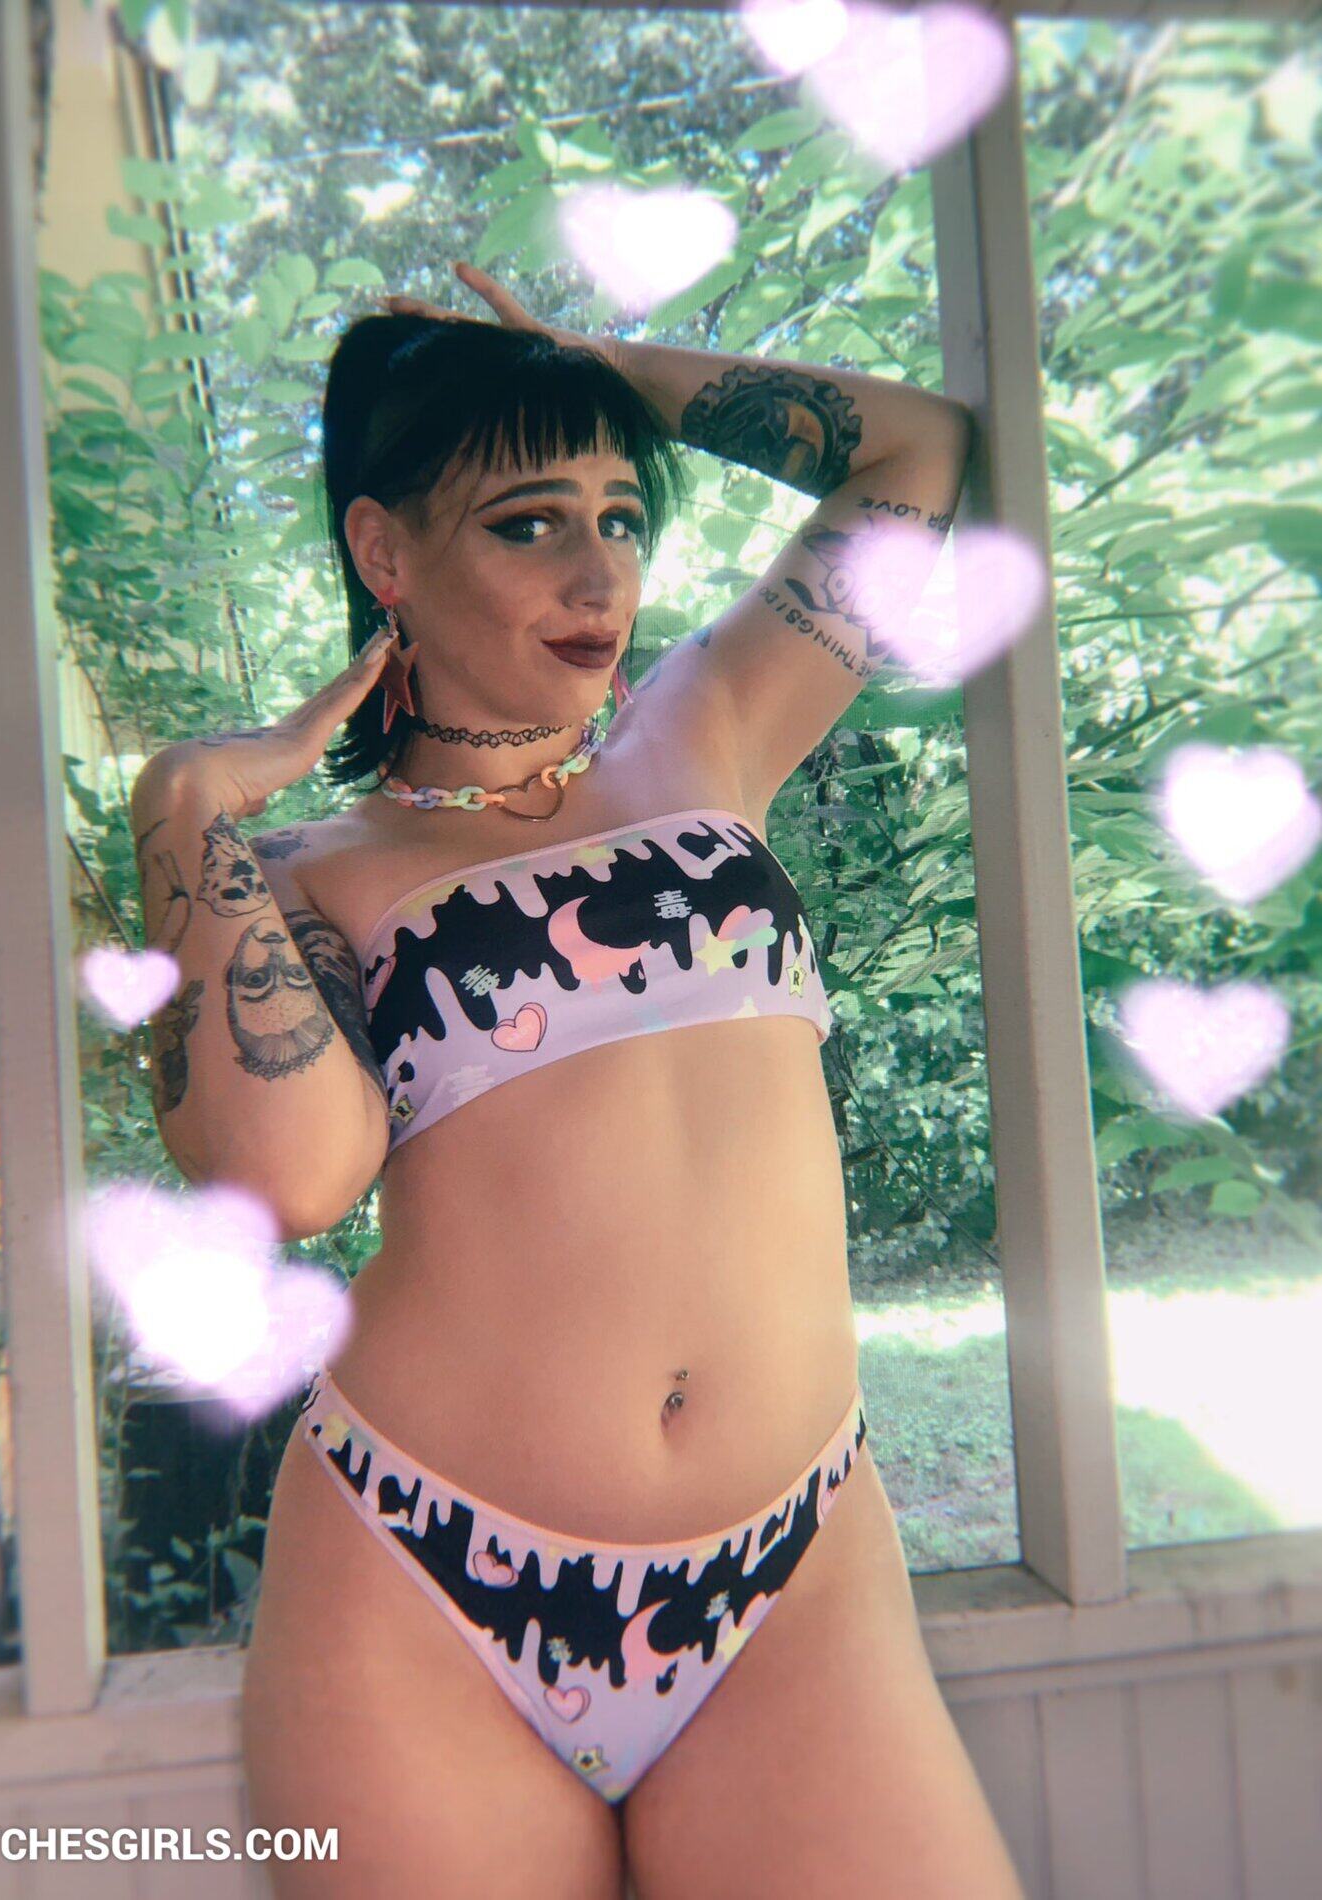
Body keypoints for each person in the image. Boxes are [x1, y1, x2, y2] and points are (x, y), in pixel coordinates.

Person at [134, 265, 1023, 1897]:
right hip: (424, 1580)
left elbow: (913, 452)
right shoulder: (305, 868)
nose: (598, 569)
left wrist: (599, 365)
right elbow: (289, 1181)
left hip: (788, 1565)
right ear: (384, 552)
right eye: (528, 523)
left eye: (621, 517)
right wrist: (183, 806)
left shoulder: (706, 728)